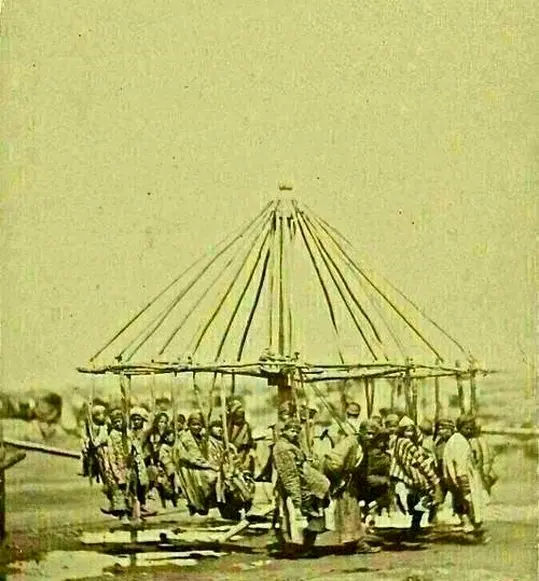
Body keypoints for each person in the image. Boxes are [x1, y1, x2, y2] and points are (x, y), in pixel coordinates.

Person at [273, 418, 330, 555]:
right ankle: (291, 547)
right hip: (293, 487)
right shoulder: (282, 448)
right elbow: (289, 474)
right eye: (292, 431)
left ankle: (306, 546)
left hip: (305, 484)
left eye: (297, 431)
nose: (294, 434)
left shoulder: (294, 445)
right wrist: (296, 496)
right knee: (289, 517)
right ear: (284, 431)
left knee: (312, 515)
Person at [322, 422, 380, 553]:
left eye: (373, 434)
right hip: (342, 481)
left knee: (352, 510)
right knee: (347, 510)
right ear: (361, 432)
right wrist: (339, 478)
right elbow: (333, 460)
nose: (370, 437)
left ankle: (353, 542)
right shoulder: (350, 442)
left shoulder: (364, 445)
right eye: (368, 433)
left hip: (351, 482)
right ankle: (356, 543)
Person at [389, 416, 442, 537]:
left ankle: (414, 526)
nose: (409, 433)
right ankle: (415, 525)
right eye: (407, 430)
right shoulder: (407, 443)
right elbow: (420, 461)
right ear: (402, 431)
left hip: (403, 475)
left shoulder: (396, 441)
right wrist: (433, 478)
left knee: (416, 499)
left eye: (411, 431)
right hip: (411, 474)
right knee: (425, 496)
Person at [443, 414, 488, 541]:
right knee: (466, 503)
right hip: (461, 476)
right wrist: (462, 480)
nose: (469, 431)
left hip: (459, 476)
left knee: (462, 503)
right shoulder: (459, 441)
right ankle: (469, 528)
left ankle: (470, 526)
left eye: (471, 428)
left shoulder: (460, 439)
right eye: (466, 428)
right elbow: (459, 463)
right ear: (459, 427)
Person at [175, 411, 218, 515]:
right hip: (188, 466)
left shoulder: (203, 437)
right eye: (193, 425)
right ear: (189, 425)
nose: (196, 427)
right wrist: (206, 465)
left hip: (202, 464)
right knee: (207, 477)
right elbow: (184, 456)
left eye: (199, 425)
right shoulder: (184, 437)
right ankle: (198, 504)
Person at [102, 408, 129, 520]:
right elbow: (111, 454)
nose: (118, 424)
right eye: (115, 422)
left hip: (128, 464)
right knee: (119, 489)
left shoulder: (127, 433)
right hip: (118, 464)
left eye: (119, 421)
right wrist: (115, 470)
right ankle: (122, 513)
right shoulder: (112, 436)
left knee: (130, 489)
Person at [129, 407, 153, 517]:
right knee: (135, 484)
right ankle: (137, 506)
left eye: (138, 419)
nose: (136, 422)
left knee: (145, 483)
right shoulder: (130, 433)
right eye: (134, 419)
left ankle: (143, 504)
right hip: (135, 460)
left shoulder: (145, 432)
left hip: (145, 459)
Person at [227, 400, 255, 476]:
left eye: (241, 416)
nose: (239, 418)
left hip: (243, 451)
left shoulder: (245, 426)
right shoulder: (228, 425)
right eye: (237, 416)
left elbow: (248, 442)